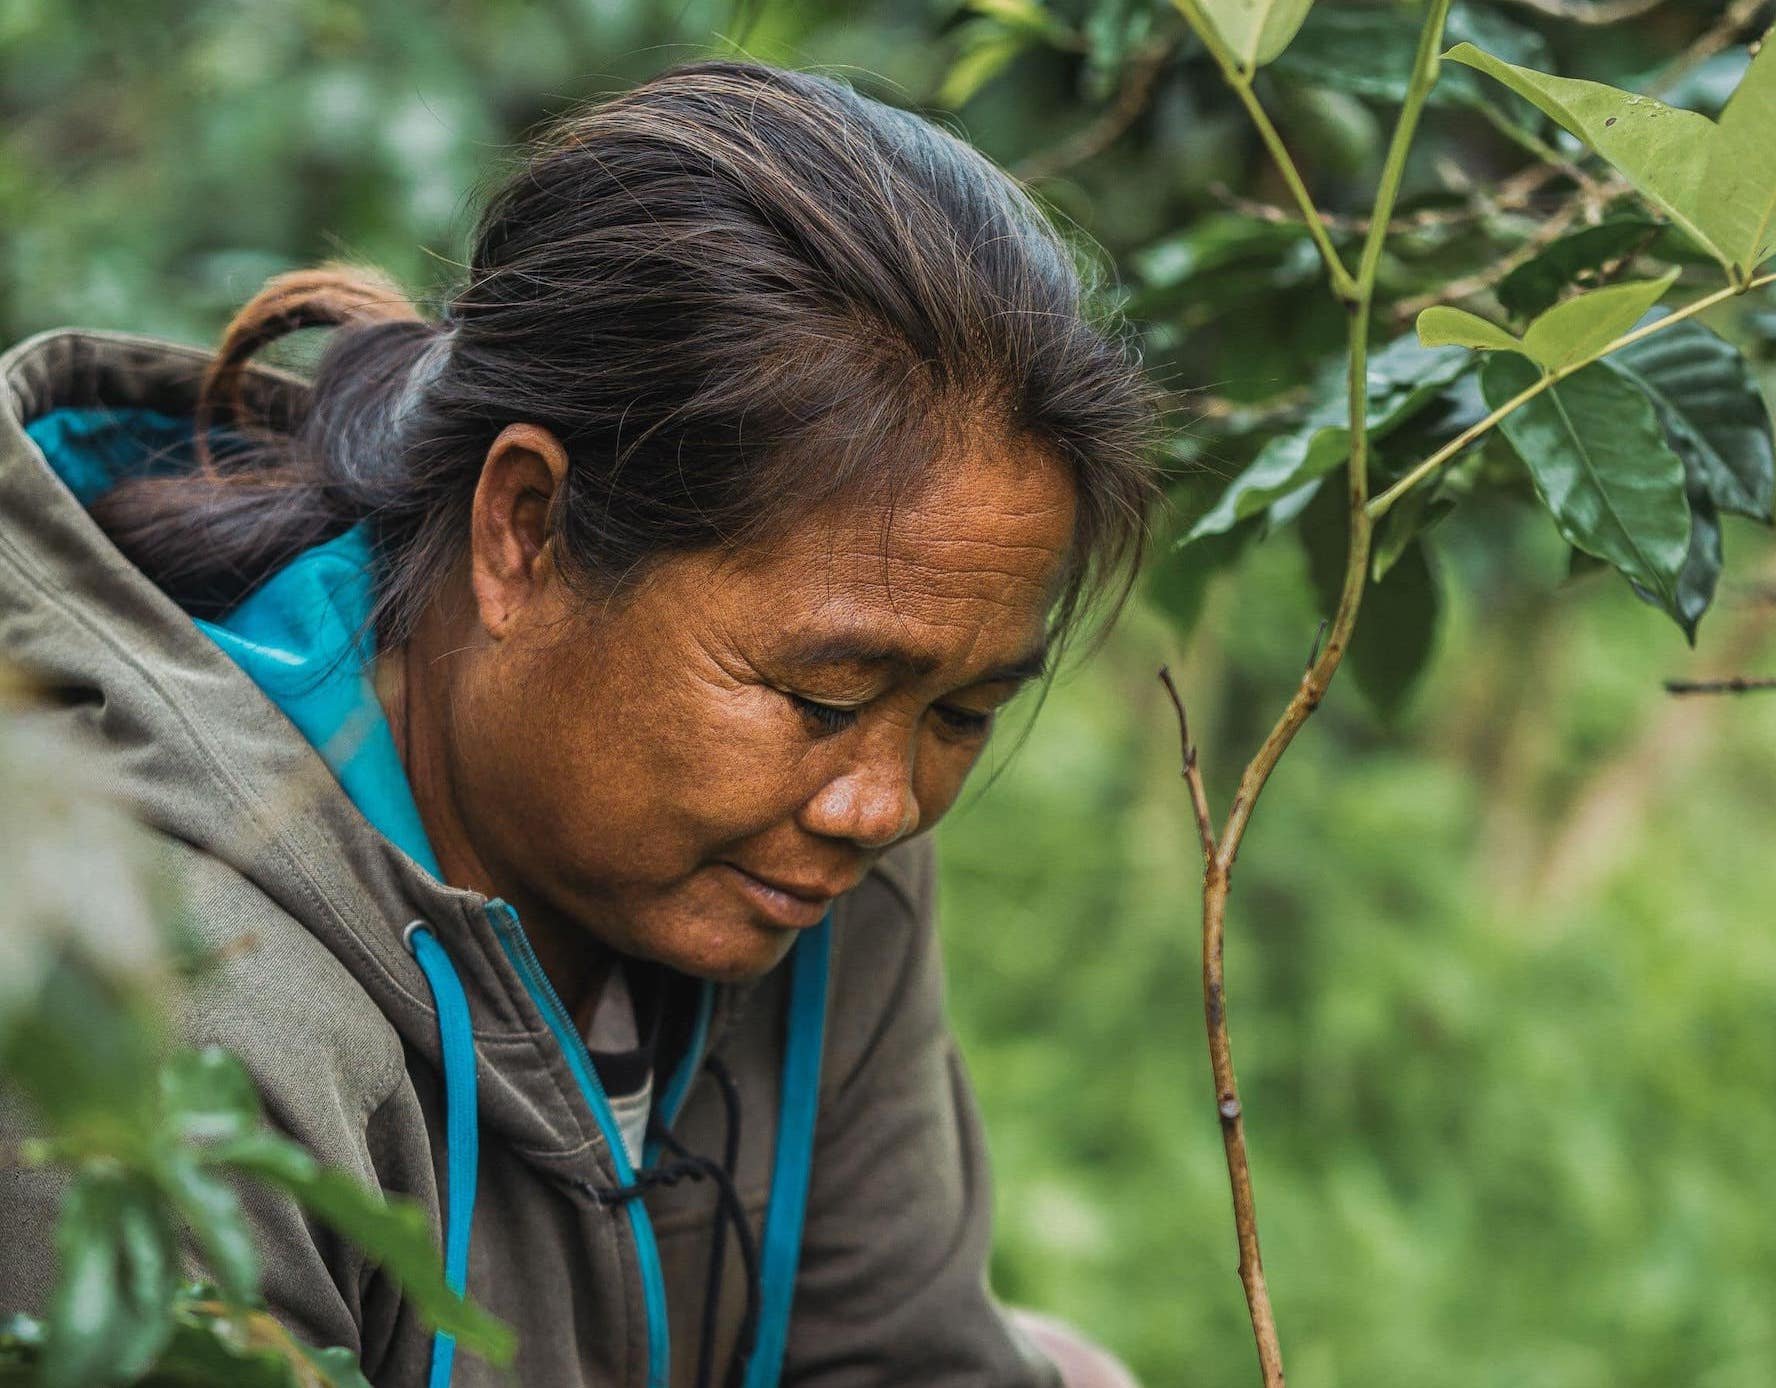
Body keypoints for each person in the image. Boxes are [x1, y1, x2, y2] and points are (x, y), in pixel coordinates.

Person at [0, 58, 1158, 1388]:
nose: (878, 805)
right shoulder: (187, 1018)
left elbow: (898, 1353)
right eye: (822, 700)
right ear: (526, 531)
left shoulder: (812, 880)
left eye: (960, 713)